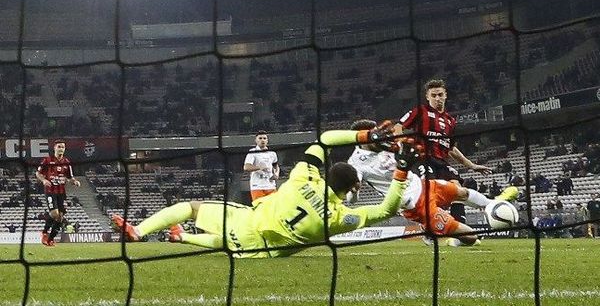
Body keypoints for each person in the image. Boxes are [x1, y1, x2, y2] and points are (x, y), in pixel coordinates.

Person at [112, 123, 423, 257]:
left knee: (194, 208)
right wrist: (402, 169)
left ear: (326, 175)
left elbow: (324, 139)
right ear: (354, 188)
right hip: (259, 254)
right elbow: (386, 209)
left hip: (248, 226)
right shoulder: (342, 219)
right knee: (227, 244)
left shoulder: (303, 176)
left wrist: (366, 134)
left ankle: (141, 231)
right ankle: (184, 237)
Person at [347, 119, 518, 247]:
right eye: (372, 134)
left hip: (423, 184)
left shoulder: (387, 143)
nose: (378, 135)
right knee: (471, 237)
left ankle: (493, 205)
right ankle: (434, 233)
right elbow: (351, 201)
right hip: (415, 204)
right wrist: (354, 192)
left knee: (462, 193)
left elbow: (402, 133)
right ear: (361, 138)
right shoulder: (355, 164)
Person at [397, 79, 492, 226]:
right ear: (427, 97)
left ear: (445, 95)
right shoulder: (420, 111)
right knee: (429, 192)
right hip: (423, 159)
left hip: (441, 161)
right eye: (433, 95)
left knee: (457, 188)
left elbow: (451, 147)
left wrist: (471, 165)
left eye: (440, 95)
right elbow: (398, 127)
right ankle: (428, 226)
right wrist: (400, 145)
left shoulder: (450, 121)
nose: (437, 98)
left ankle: (460, 228)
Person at [36, 140, 80, 246]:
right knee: (54, 214)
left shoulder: (67, 162)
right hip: (50, 191)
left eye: (63, 147)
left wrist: (75, 182)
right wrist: (44, 180)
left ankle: (50, 240)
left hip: (61, 192)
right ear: (54, 148)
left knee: (60, 217)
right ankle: (44, 232)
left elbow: (70, 177)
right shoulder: (47, 160)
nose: (61, 149)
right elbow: (38, 173)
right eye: (59, 146)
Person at [243, 131, 280, 201]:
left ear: (267, 140)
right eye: (260, 138)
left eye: (264, 138)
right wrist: (259, 167)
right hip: (257, 186)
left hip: (270, 186)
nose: (262, 140)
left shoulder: (272, 153)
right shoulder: (252, 152)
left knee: (274, 209)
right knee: (260, 209)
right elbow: (246, 167)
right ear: (256, 140)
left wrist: (276, 174)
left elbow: (276, 165)